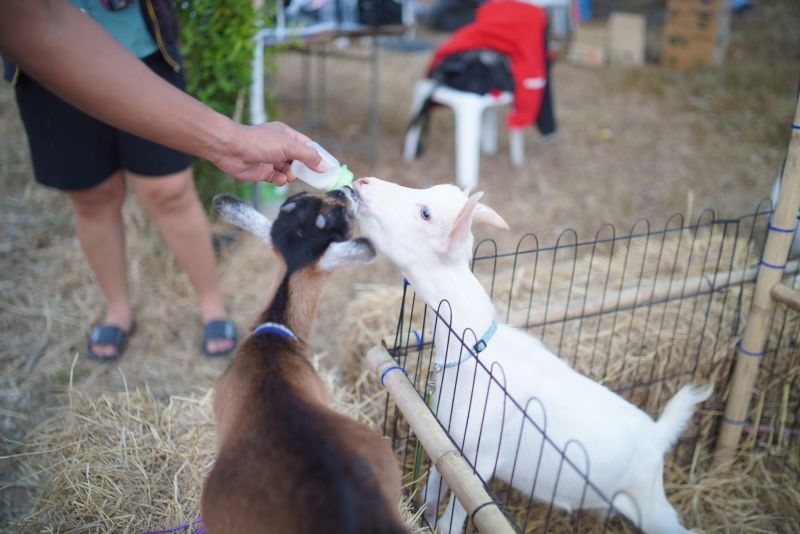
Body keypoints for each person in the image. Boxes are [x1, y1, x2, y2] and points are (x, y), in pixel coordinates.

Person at [0, 0, 323, 361]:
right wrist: (232, 141)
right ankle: (117, 309)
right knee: (92, 195)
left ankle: (211, 302)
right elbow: (37, 18)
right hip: (46, 72)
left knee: (169, 190)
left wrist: (231, 142)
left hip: (144, 49)